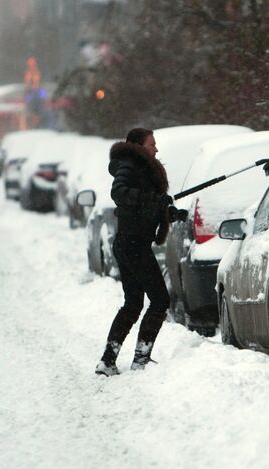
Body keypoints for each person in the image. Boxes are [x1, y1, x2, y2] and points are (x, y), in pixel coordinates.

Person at [95, 128, 172, 376]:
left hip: (131, 243)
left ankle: (108, 361)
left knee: (133, 303)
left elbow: (147, 206)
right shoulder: (130, 164)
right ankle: (140, 358)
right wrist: (151, 199)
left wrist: (168, 211)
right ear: (139, 145)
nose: (156, 148)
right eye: (152, 144)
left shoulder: (141, 167)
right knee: (160, 299)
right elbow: (119, 193)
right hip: (133, 244)